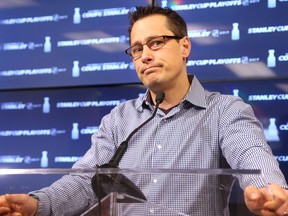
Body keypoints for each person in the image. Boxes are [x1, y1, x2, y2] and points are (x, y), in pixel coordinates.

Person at [0, 5, 287, 216]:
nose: (145, 55)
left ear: (184, 46)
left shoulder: (225, 110)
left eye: (156, 43)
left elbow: (252, 154)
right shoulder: (119, 119)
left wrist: (270, 191)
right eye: (137, 49)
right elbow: (85, 181)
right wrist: (37, 205)